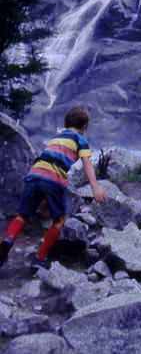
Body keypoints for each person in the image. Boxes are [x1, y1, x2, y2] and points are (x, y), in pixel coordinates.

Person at [0, 104, 107, 270]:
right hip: (53, 179)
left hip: (34, 174)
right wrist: (95, 187)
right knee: (59, 221)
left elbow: (44, 160)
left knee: (22, 215)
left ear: (66, 123)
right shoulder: (81, 140)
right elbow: (87, 164)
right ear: (85, 127)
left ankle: (7, 241)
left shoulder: (56, 138)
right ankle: (40, 258)